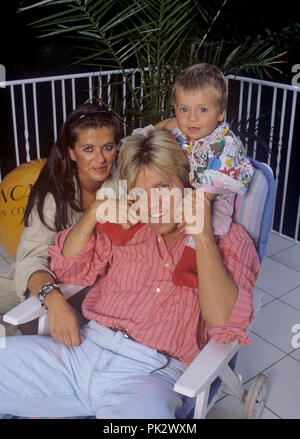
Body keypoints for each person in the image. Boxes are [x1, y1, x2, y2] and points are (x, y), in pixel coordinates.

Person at [0, 129, 260, 419]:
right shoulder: (127, 227)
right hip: (81, 351)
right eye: (141, 193)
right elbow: (67, 270)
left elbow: (224, 326)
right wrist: (93, 215)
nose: (153, 205)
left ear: (189, 186)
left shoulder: (228, 240)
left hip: (152, 376)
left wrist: (203, 238)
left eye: (163, 187)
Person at [0, 103, 122, 344]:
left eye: (108, 147)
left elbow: (145, 139)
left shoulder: (122, 179)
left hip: (94, 288)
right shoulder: (53, 198)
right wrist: (53, 299)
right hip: (46, 280)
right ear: (72, 152)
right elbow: (31, 260)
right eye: (88, 149)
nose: (100, 159)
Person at [155, 63, 254, 287]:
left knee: (213, 221)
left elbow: (203, 198)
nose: (191, 119)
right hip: (189, 188)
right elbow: (164, 126)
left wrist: (185, 213)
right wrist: (147, 133)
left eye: (202, 110)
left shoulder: (224, 144)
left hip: (213, 195)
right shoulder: (182, 128)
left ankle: (188, 265)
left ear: (221, 113)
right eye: (184, 109)